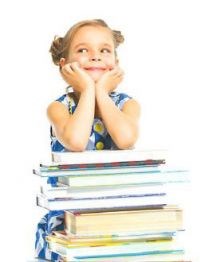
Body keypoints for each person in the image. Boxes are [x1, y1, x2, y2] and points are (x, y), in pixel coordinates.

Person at [35, 19, 140, 261]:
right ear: (64, 65)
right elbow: (76, 141)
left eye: (104, 50)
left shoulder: (127, 105)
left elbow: (126, 139)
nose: (95, 57)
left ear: (115, 63)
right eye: (83, 50)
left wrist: (101, 92)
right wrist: (89, 91)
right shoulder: (59, 108)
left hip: (115, 214)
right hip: (68, 221)